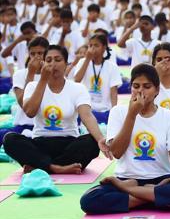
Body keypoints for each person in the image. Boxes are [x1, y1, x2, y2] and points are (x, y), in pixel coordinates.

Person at [80, 64, 170, 214]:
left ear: (157, 90)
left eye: (147, 86)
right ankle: (151, 197)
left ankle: (131, 193)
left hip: (161, 178)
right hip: (126, 178)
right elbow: (116, 152)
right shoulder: (118, 112)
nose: (140, 91)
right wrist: (131, 115)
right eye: (136, 86)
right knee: (89, 200)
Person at [3, 45, 105, 174]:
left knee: (92, 142)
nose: (53, 64)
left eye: (57, 60)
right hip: (41, 142)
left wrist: (100, 138)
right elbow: (29, 112)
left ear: (66, 63)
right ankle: (56, 168)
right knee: (10, 139)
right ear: (43, 64)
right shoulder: (32, 86)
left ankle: (41, 166)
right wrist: (43, 80)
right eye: (49, 60)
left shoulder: (77, 88)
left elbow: (87, 116)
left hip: (69, 143)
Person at [1, 37, 49, 142]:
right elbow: (24, 105)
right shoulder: (20, 74)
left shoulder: (52, 74)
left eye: (40, 53)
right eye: (33, 54)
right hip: (24, 125)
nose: (37, 57)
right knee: (6, 136)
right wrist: (31, 73)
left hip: (45, 127)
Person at [71, 34, 122, 124]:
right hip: (85, 109)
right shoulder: (83, 62)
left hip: (104, 111)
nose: (92, 49)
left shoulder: (112, 67)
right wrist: (87, 59)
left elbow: (114, 92)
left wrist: (114, 113)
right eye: (90, 46)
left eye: (96, 45)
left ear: (104, 47)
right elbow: (77, 80)